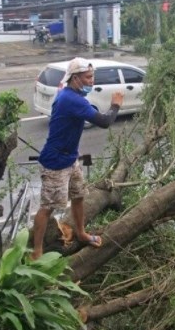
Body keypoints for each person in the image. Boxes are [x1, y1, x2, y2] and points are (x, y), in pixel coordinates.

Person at [31, 57, 123, 260]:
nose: (92, 81)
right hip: (55, 163)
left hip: (71, 158)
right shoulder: (71, 100)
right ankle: (37, 251)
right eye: (88, 77)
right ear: (75, 78)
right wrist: (115, 105)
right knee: (48, 207)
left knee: (79, 195)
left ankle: (80, 233)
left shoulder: (70, 95)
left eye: (93, 77)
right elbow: (105, 121)